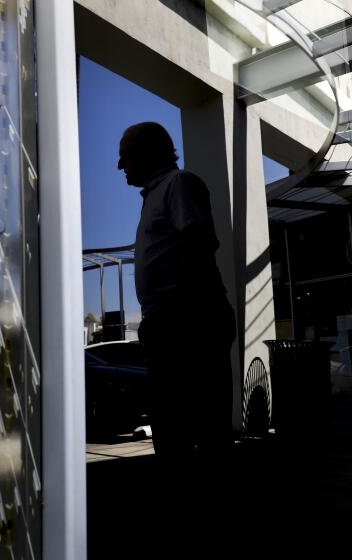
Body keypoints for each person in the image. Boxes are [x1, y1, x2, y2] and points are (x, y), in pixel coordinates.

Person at [118, 122, 236, 466]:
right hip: (175, 321)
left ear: (148, 152)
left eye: (124, 156)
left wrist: (179, 318)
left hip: (186, 322)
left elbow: (200, 244)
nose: (120, 165)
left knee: (191, 429)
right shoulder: (158, 194)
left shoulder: (178, 184)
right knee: (175, 428)